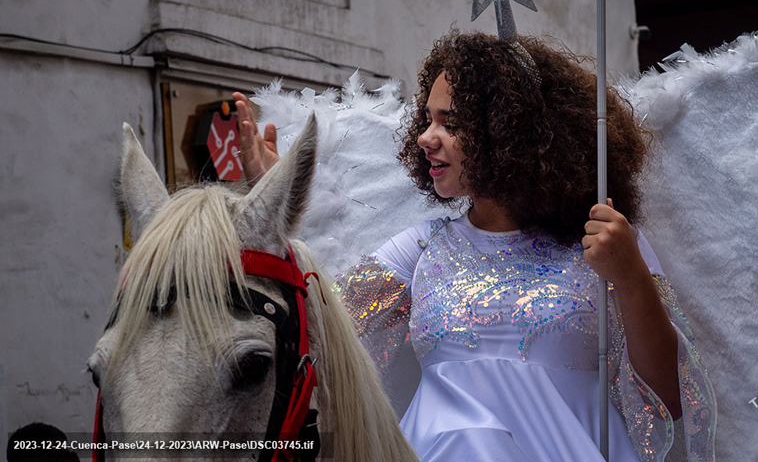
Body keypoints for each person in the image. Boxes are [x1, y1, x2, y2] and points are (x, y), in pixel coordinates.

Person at [235, 30, 715, 461]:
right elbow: (317, 331)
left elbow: (668, 400)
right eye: (427, 119)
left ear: (511, 135)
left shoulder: (605, 244)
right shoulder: (420, 251)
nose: (425, 137)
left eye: (450, 122)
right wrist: (276, 207)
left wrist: (630, 276)